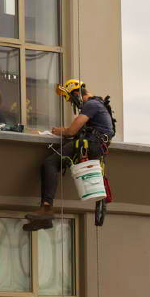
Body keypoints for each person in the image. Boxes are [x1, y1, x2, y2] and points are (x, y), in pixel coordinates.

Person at [23, 79, 115, 231]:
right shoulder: (100, 105)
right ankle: (45, 214)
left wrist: (59, 131)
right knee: (53, 164)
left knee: (49, 164)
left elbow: (71, 131)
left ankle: (46, 210)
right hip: (94, 146)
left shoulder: (91, 105)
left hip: (89, 144)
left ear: (76, 93)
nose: (74, 104)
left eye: (71, 99)